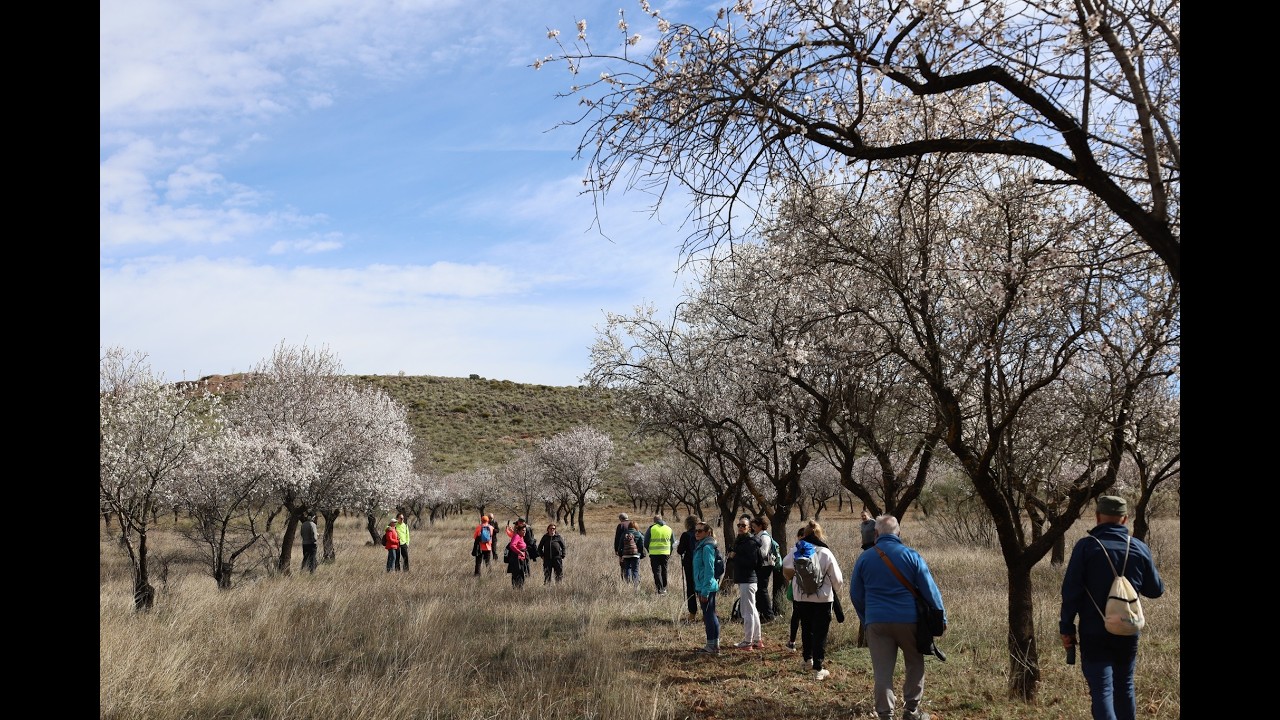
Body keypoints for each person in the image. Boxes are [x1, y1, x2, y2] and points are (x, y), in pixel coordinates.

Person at [1059, 495, 1164, 720]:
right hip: (1127, 629)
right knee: (1125, 686)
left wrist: (1066, 626)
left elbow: (1071, 592)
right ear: (1125, 519)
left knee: (1102, 690)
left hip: (1093, 631)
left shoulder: (1086, 547)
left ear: (1097, 517)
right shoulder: (1138, 547)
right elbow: (1156, 590)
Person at [850, 515, 944, 719]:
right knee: (914, 663)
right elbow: (930, 590)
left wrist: (867, 617)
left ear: (876, 534)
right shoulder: (911, 555)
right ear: (898, 533)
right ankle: (911, 710)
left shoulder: (864, 558)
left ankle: (885, 714)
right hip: (909, 621)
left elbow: (856, 594)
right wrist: (940, 617)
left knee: (882, 671)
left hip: (877, 622)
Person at [783, 519, 844, 680]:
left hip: (801, 597)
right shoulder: (826, 552)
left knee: (806, 628)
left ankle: (807, 659)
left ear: (805, 534)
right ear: (820, 534)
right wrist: (834, 590)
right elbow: (837, 579)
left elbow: (785, 566)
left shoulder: (797, 549)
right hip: (823, 599)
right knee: (820, 632)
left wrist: (794, 579)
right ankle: (818, 667)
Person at [728, 516, 764, 649]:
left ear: (750, 528)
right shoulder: (743, 541)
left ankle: (748, 642)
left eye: (743, 525)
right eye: (739, 525)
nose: (740, 527)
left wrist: (735, 557)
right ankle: (757, 640)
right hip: (746, 580)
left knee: (747, 611)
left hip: (748, 580)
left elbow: (752, 563)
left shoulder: (750, 543)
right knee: (752, 610)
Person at [691, 521, 721, 655]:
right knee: (710, 615)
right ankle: (714, 645)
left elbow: (709, 570)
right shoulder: (702, 545)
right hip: (704, 585)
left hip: (706, 587)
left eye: (700, 531)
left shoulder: (707, 547)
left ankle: (711, 646)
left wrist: (705, 591)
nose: (697, 533)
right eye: (695, 530)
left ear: (707, 532)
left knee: (709, 617)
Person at [749, 515, 777, 621]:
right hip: (761, 566)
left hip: (765, 566)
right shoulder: (758, 535)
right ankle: (763, 614)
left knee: (762, 590)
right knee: (760, 590)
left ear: (761, 526)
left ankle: (769, 615)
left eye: (754, 526)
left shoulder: (764, 537)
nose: (753, 528)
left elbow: (763, 552)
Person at [676, 515, 702, 622]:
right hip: (701, 564)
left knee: (690, 588)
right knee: (701, 588)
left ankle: (692, 614)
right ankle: (706, 612)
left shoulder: (686, 535)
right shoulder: (702, 534)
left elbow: (680, 551)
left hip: (689, 565)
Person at [785, 526, 806, 650]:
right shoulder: (818, 549)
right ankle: (801, 642)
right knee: (803, 617)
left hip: (798, 588)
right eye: (801, 535)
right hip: (813, 591)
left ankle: (792, 642)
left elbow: (786, 566)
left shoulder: (794, 550)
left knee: (797, 615)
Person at [644, 514, 675, 594]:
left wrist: (649, 550)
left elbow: (646, 542)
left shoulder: (651, 528)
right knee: (664, 570)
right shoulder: (669, 529)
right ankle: (664, 587)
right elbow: (673, 542)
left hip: (654, 554)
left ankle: (660, 589)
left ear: (654, 521)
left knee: (656, 571)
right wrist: (670, 552)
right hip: (666, 553)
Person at [504, 518, 530, 588]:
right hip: (517, 559)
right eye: (523, 531)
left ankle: (517, 589)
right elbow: (512, 545)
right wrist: (520, 552)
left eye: (525, 531)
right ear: (519, 531)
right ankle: (518, 589)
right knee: (518, 575)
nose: (525, 532)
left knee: (519, 574)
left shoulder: (520, 536)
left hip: (520, 558)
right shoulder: (517, 536)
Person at [619, 520, 645, 586]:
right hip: (636, 555)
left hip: (626, 555)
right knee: (635, 570)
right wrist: (641, 554)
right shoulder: (638, 534)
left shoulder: (624, 534)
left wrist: (621, 555)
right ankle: (636, 586)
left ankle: (627, 584)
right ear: (636, 526)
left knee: (627, 569)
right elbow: (642, 545)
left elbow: (620, 546)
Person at [613, 512, 631, 580]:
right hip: (634, 549)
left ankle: (625, 580)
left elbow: (617, 538)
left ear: (620, 519)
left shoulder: (621, 525)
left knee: (623, 565)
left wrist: (616, 549)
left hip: (623, 549)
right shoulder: (633, 524)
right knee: (633, 566)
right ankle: (634, 581)